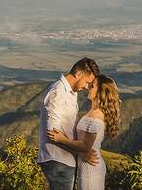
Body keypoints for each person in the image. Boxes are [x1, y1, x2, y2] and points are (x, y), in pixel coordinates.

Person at [47, 75, 121, 190]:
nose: (88, 87)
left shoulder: (97, 117)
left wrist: (62, 139)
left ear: (100, 92)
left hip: (91, 167)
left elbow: (86, 146)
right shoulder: (93, 111)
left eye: (92, 86)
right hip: (86, 163)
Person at [37, 57, 100, 190]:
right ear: (78, 74)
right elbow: (52, 134)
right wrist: (82, 153)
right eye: (87, 82)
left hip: (64, 159)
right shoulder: (58, 93)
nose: (87, 87)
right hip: (58, 159)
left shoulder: (71, 92)